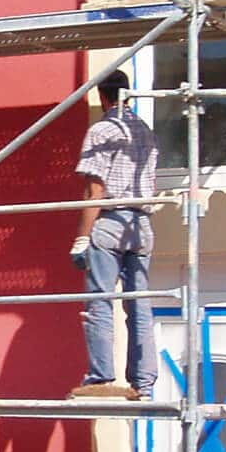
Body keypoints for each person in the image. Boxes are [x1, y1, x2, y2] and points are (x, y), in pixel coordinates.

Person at [69, 69, 158, 400]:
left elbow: (95, 189)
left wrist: (82, 237)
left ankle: (101, 375)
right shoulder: (145, 131)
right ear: (127, 93)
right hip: (142, 224)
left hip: (110, 221)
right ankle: (144, 383)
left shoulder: (102, 130)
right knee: (138, 306)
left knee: (101, 303)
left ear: (102, 96)